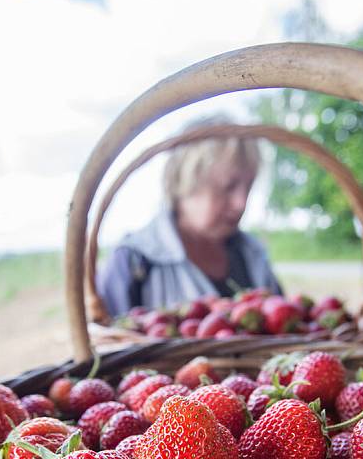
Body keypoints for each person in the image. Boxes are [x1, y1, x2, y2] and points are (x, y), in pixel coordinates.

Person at [97, 117, 282, 317]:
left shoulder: (252, 254)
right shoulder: (134, 262)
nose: (241, 203)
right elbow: (109, 340)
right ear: (186, 182)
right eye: (228, 187)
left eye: (249, 187)